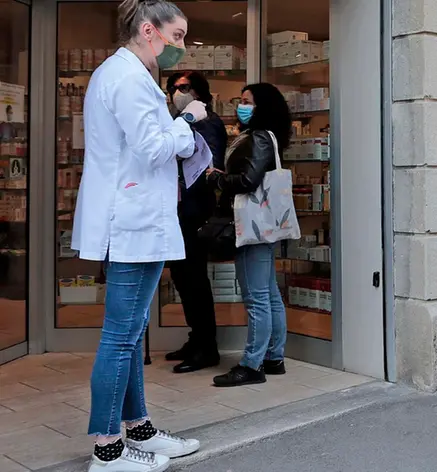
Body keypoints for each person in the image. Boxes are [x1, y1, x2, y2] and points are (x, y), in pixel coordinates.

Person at [71, 0, 206, 470]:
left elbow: (147, 145)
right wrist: (187, 124)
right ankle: (108, 450)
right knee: (120, 337)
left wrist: (176, 130)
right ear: (149, 30)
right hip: (131, 221)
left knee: (130, 333)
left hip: (137, 219)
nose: (181, 47)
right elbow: (152, 149)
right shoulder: (127, 78)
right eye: (177, 36)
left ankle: (139, 430)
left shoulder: (128, 74)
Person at [206, 83, 292, 388]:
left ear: (262, 107)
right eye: (240, 101)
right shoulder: (266, 136)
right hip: (264, 226)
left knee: (256, 298)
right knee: (269, 294)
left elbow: (246, 180)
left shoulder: (258, 137)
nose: (241, 106)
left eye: (247, 102)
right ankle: (274, 357)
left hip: (252, 227)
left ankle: (252, 365)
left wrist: (218, 179)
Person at [163, 71, 227, 374]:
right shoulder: (175, 121)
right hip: (177, 211)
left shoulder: (207, 123)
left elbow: (209, 168)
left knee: (194, 280)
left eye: (184, 87)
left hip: (194, 211)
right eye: (173, 88)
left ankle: (207, 346)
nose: (178, 92)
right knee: (182, 278)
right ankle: (195, 338)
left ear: (199, 91)